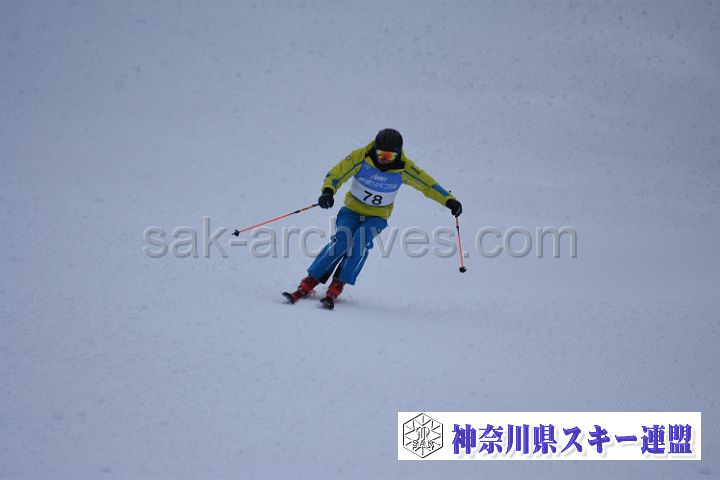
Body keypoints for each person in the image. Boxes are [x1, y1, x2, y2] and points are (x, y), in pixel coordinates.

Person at [283, 128, 462, 309]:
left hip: (377, 216)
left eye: (389, 156)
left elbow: (428, 186)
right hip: (351, 210)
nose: (384, 158)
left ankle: (338, 284)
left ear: (398, 154)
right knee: (342, 241)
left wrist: (450, 201)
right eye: (380, 153)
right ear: (375, 148)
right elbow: (337, 173)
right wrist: (328, 191)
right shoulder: (361, 157)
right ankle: (310, 280)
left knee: (360, 242)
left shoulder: (404, 168)